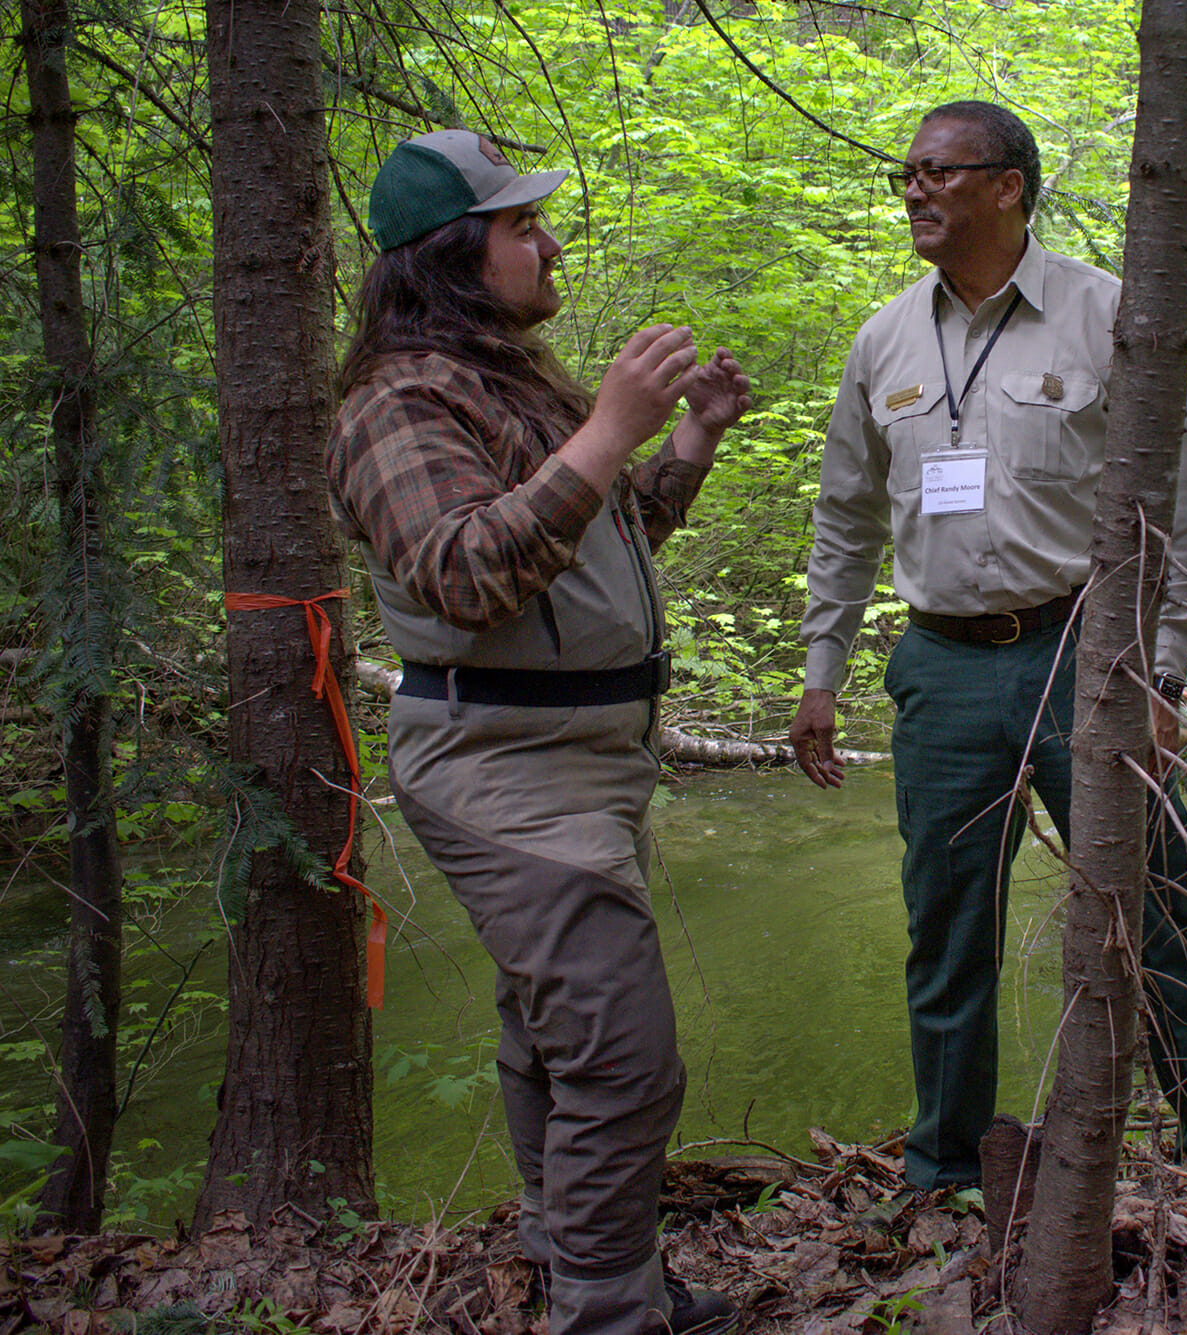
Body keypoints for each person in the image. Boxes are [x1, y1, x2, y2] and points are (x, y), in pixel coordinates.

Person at [788, 101, 1187, 1192]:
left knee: (1149, 914)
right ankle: (944, 1168)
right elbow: (843, 518)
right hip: (939, 671)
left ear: (1006, 186)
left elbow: (1175, 521)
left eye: (938, 173)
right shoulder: (884, 338)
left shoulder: (1107, 316)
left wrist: (1166, 674)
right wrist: (822, 674)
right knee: (945, 935)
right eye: (906, 172)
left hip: (1080, 663)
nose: (913, 190)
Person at [328, 129, 750, 1335]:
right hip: (499, 770)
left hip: (586, 766)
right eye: (523, 226)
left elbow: (596, 554)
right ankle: (608, 1314)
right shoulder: (392, 404)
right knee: (622, 1056)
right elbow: (463, 575)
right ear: (454, 256)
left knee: (555, 1038)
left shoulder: (505, 384)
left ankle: (581, 1265)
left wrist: (687, 440)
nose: (548, 241)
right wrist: (609, 426)